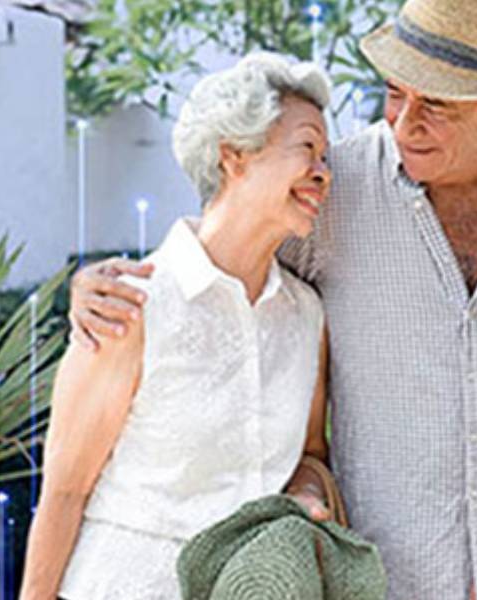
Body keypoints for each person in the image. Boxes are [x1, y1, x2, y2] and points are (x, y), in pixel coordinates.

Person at [67, 0, 477, 598]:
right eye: (395, 93)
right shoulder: (334, 188)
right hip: (388, 573)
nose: (406, 123)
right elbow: (220, 263)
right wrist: (106, 285)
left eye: (436, 104)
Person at [19, 53, 334, 599]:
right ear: (234, 155)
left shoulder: (306, 314)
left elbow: (310, 453)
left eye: (326, 157)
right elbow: (65, 491)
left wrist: (306, 497)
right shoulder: (130, 305)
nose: (323, 172)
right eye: (307, 148)